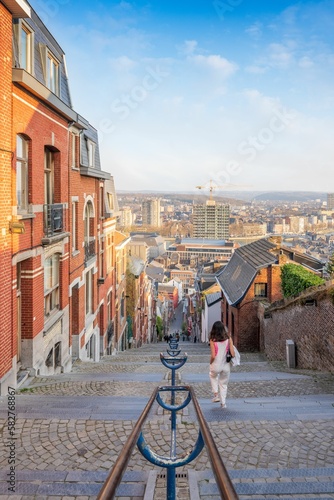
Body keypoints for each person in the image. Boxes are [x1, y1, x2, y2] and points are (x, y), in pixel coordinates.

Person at [209, 320, 235, 408]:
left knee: (213, 376)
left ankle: (216, 394)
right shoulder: (228, 338)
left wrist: (210, 362)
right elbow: (233, 353)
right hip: (226, 365)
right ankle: (223, 403)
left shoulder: (212, 340)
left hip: (216, 364)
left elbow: (213, 355)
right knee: (223, 384)